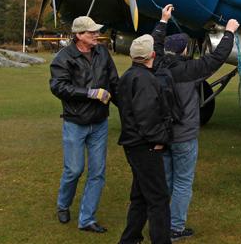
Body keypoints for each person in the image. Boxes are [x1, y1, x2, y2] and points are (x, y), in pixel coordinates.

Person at [155, 15, 240, 240]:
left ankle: (160, 223)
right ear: (184, 51)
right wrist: (229, 32)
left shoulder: (157, 65)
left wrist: (163, 22)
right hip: (184, 135)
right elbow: (218, 57)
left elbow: (156, 44)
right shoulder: (192, 70)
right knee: (183, 181)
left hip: (161, 135)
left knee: (165, 180)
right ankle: (175, 228)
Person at [49, 15, 119, 234]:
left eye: (96, 32)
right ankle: (63, 205)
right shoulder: (63, 57)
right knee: (74, 169)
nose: (96, 35)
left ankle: (87, 219)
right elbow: (58, 87)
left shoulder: (103, 53)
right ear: (79, 35)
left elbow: (114, 83)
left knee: (97, 172)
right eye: (91, 33)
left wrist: (130, 108)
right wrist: (90, 93)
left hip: (100, 123)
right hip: (75, 123)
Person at [117, 29, 174, 244]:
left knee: (140, 196)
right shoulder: (145, 80)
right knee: (158, 198)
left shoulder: (128, 76)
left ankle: (130, 239)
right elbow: (147, 117)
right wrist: (159, 141)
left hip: (134, 144)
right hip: (145, 146)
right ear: (152, 55)